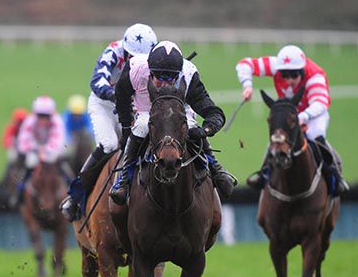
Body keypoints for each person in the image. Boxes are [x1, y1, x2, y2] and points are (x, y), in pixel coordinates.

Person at [109, 40, 237, 204]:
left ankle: (216, 168)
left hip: (178, 113)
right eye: (159, 77)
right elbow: (121, 97)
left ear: (178, 74)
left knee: (191, 126)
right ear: (150, 72)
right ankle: (124, 179)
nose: (164, 83)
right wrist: (127, 126)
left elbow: (213, 112)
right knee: (141, 126)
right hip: (146, 112)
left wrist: (205, 130)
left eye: (171, 78)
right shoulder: (135, 69)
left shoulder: (189, 75)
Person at [60, 23, 157, 221]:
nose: (136, 61)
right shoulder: (113, 51)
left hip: (133, 107)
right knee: (109, 144)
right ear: (126, 50)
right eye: (132, 56)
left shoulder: (155, 59)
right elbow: (97, 81)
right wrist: (116, 96)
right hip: (104, 105)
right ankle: (75, 197)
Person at [236, 45, 348, 195]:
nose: (289, 80)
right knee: (276, 139)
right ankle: (264, 173)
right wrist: (247, 86)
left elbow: (320, 103)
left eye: (294, 76)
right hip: (290, 115)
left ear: (302, 71)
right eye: (285, 75)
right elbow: (245, 64)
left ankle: (335, 173)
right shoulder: (276, 65)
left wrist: (302, 118)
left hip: (313, 114)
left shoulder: (315, 76)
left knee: (315, 135)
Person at [13, 96, 69, 206]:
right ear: (35, 114)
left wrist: (46, 150)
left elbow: (58, 142)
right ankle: (19, 192)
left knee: (64, 166)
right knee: (30, 163)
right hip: (34, 150)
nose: (43, 119)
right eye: (40, 116)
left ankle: (70, 188)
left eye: (46, 116)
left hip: (52, 150)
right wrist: (36, 149)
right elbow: (23, 142)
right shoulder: (29, 121)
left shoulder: (57, 121)